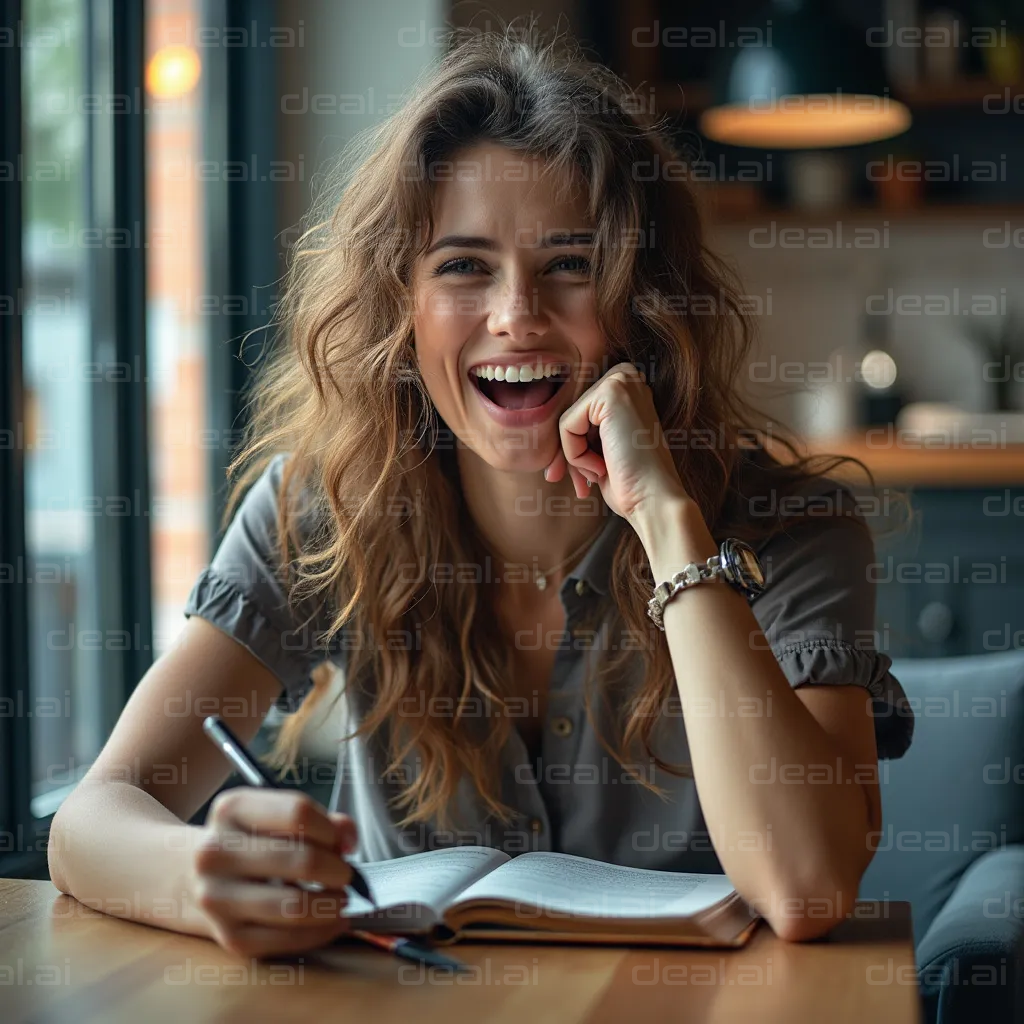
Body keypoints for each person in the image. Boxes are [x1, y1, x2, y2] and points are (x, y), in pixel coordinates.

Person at [49, 24, 914, 958]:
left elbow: (807, 886)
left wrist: (669, 523)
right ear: (401, 305)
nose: (515, 316)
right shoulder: (325, 509)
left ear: (644, 302)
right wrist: (201, 877)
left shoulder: (794, 531)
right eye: (464, 266)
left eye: (571, 265)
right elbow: (92, 820)